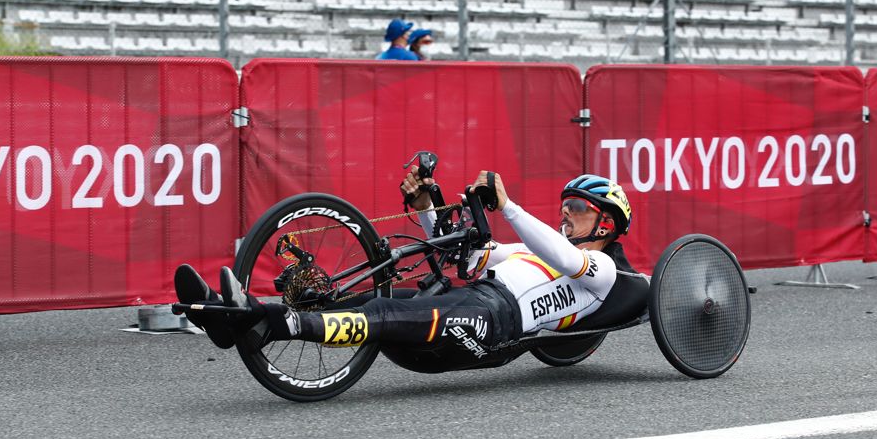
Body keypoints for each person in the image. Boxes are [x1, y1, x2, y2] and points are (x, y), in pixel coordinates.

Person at [174, 169, 645, 354]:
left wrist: (509, 207)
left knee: (382, 314)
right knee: (365, 297)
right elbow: (459, 253)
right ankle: (234, 316)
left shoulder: (604, 272)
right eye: (563, 205)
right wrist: (423, 205)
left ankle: (259, 323)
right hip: (472, 301)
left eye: (578, 209)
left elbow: (561, 255)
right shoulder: (527, 250)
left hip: (493, 324)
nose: (565, 214)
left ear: (607, 223)